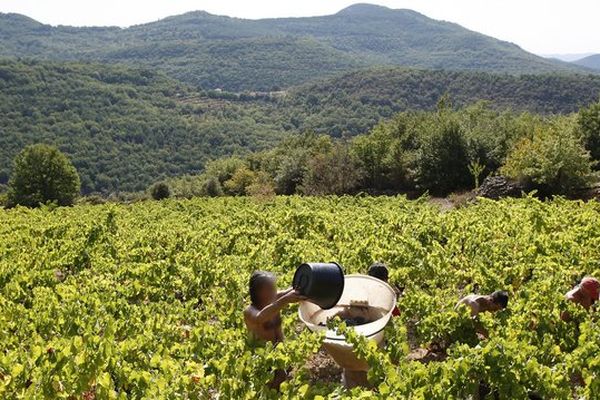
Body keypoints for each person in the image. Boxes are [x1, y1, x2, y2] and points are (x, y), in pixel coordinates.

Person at [244, 271, 306, 390]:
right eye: (271, 288)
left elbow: (290, 291)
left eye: (274, 287)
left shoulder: (274, 299)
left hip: (280, 356)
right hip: (262, 362)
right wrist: (284, 300)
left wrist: (304, 287)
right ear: (260, 292)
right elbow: (260, 317)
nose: (275, 291)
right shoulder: (249, 312)